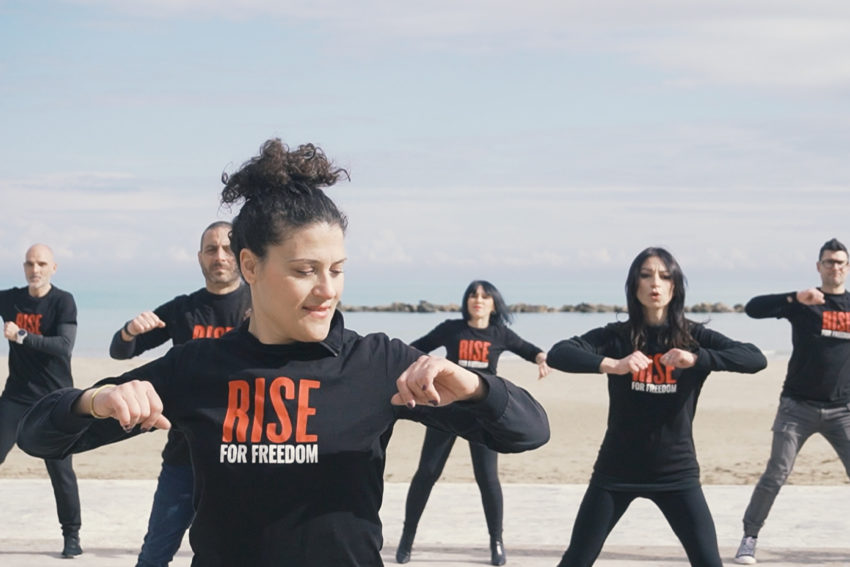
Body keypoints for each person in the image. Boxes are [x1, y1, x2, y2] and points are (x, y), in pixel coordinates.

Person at [16, 138, 550, 567]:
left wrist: (476, 387)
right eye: (304, 271)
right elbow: (38, 436)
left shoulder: (378, 364)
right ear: (251, 267)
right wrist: (95, 401)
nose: (327, 290)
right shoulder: (199, 368)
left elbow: (529, 432)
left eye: (337, 270)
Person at [545, 247, 766, 567]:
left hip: (676, 472)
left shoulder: (693, 337)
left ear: (675, 286)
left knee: (708, 562)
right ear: (634, 285)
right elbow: (559, 353)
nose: (655, 283)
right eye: (646, 275)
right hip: (615, 470)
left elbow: (754, 358)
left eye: (664, 276)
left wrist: (698, 358)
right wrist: (612, 364)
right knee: (577, 559)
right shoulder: (617, 336)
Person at [110, 221, 251, 567]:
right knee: (155, 553)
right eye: (211, 249)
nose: (219, 256)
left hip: (246, 455)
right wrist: (130, 331)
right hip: (183, 455)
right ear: (200, 258)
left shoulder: (261, 304)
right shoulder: (183, 309)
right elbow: (120, 351)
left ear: (243, 254)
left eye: (227, 248)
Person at [396, 280, 549, 565]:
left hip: (483, 414)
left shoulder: (499, 333)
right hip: (446, 409)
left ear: (493, 304)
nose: (478, 300)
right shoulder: (452, 328)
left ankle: (497, 543)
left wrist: (542, 357)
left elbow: (527, 349)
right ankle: (407, 539)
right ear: (466, 301)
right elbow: (417, 348)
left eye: (484, 296)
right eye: (473, 295)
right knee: (427, 472)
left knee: (488, 479)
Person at [733, 237, 850, 565]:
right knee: (776, 472)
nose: (835, 267)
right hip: (797, 408)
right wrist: (795, 296)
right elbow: (753, 308)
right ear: (819, 267)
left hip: (843, 410)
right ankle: (749, 538)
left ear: (848, 267)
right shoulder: (805, 302)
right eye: (829, 262)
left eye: (840, 262)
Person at [0, 244, 83, 558]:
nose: (35, 270)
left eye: (42, 264)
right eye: (30, 264)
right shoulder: (11, 299)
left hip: (56, 400)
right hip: (16, 398)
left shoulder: (63, 301)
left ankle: (72, 536)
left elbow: (63, 346)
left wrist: (21, 335)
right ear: (24, 267)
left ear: (53, 268)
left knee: (60, 471)